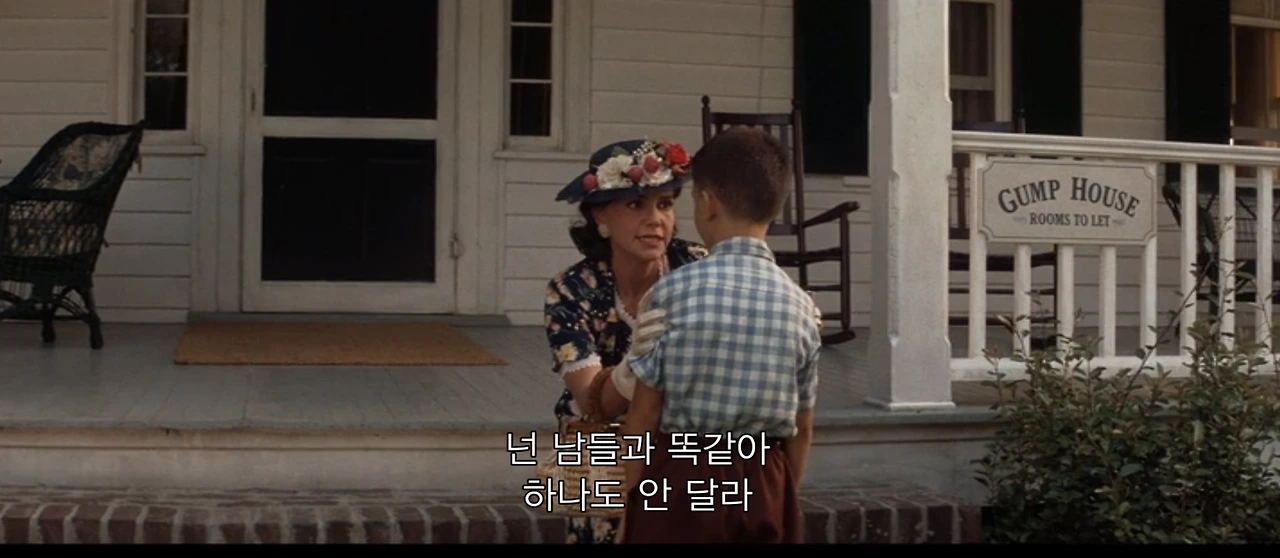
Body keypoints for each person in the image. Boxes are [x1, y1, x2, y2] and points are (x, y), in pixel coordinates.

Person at [612, 126, 822, 544]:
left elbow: (644, 417)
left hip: (681, 477)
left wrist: (627, 508)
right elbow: (802, 426)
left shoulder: (673, 293)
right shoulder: (802, 307)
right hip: (764, 476)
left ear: (708, 203)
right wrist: (780, 494)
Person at [543, 138, 708, 544]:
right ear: (600, 214)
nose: (656, 220)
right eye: (636, 205)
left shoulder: (698, 267)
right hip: (603, 458)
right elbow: (593, 402)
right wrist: (638, 363)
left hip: (684, 449)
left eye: (665, 204)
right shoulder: (571, 290)